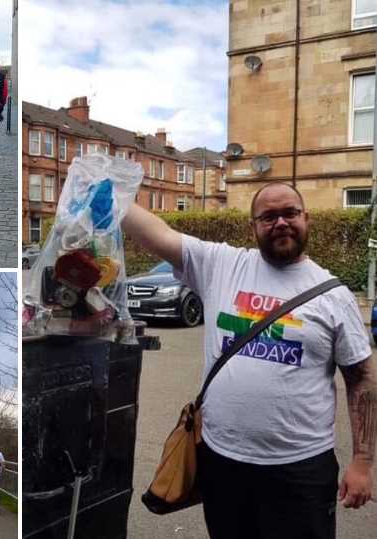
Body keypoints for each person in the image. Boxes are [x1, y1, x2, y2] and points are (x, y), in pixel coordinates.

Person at [123, 182, 375, 539]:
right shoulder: (222, 264)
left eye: (290, 213)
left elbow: (362, 380)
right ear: (252, 227)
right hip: (223, 463)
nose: (281, 222)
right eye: (268, 216)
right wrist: (109, 193)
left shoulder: (335, 295)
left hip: (300, 471)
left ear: (308, 219)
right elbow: (158, 235)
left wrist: (363, 463)